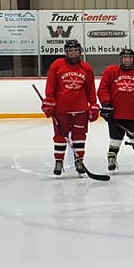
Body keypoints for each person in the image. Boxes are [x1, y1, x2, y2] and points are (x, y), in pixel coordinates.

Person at [41, 39, 99, 176]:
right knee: (60, 135)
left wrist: (94, 104)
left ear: (80, 51)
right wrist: (49, 100)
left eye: (75, 51)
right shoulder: (57, 65)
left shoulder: (86, 68)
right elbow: (51, 84)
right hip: (61, 109)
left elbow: (90, 88)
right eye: (70, 51)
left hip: (81, 110)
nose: (73, 53)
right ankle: (59, 161)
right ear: (66, 52)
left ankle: (79, 160)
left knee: (79, 136)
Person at [97, 48, 134, 172]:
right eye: (125, 58)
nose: (127, 60)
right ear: (120, 59)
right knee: (115, 138)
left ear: (133, 59)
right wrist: (106, 103)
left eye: (130, 58)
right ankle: (112, 157)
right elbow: (103, 89)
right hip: (115, 113)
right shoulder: (110, 71)